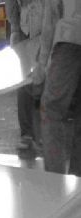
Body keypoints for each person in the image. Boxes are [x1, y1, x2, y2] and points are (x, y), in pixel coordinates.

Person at [32, 0, 81, 175]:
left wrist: (42, 64)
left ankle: (55, 182)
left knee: (52, 109)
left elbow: (52, 15)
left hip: (71, 39)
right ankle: (77, 182)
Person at [5, 0, 44, 157]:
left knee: (45, 81)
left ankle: (41, 133)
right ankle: (28, 135)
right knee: (24, 82)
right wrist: (15, 29)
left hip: (49, 26)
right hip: (25, 28)